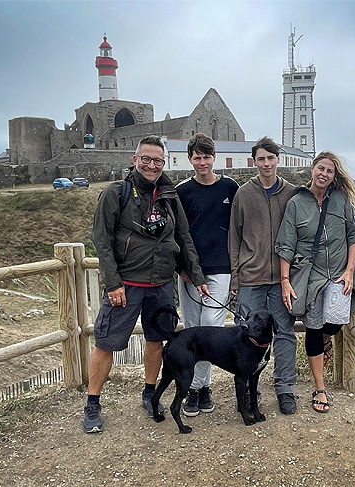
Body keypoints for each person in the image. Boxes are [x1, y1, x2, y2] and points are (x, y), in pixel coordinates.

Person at [83, 135, 209, 433]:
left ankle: (150, 393)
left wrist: (197, 275)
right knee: (106, 343)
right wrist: (112, 283)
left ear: (164, 163)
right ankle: (92, 403)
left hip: (161, 284)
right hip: (125, 285)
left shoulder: (170, 196)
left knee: (156, 341)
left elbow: (183, 238)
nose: (152, 165)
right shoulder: (116, 193)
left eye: (158, 161)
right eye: (147, 159)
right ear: (135, 159)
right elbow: (101, 240)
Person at [275, 150, 355, 413]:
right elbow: (285, 245)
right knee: (313, 329)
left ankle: (323, 344)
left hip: (337, 274)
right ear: (312, 169)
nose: (324, 174)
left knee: (336, 321)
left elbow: (354, 235)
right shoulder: (296, 203)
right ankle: (320, 388)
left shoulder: (342, 200)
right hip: (309, 277)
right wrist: (284, 280)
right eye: (321, 168)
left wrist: (349, 270)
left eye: (330, 171)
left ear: (334, 176)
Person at [228, 136, 298, 415]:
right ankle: (250, 392)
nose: (266, 163)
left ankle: (285, 389)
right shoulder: (243, 194)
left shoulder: (292, 193)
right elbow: (234, 237)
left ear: (278, 159)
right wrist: (235, 277)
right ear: (254, 161)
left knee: (285, 333)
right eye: (261, 158)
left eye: (271, 158)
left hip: (283, 278)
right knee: (247, 336)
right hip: (250, 277)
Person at [175, 133, 239, 417]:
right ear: (190, 159)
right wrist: (183, 269)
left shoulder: (230, 187)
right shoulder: (182, 191)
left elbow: (239, 230)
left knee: (210, 327)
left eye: (206, 156)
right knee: (192, 329)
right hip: (189, 272)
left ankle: (199, 388)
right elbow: (175, 235)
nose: (202, 162)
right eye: (197, 157)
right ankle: (197, 389)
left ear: (214, 157)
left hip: (221, 269)